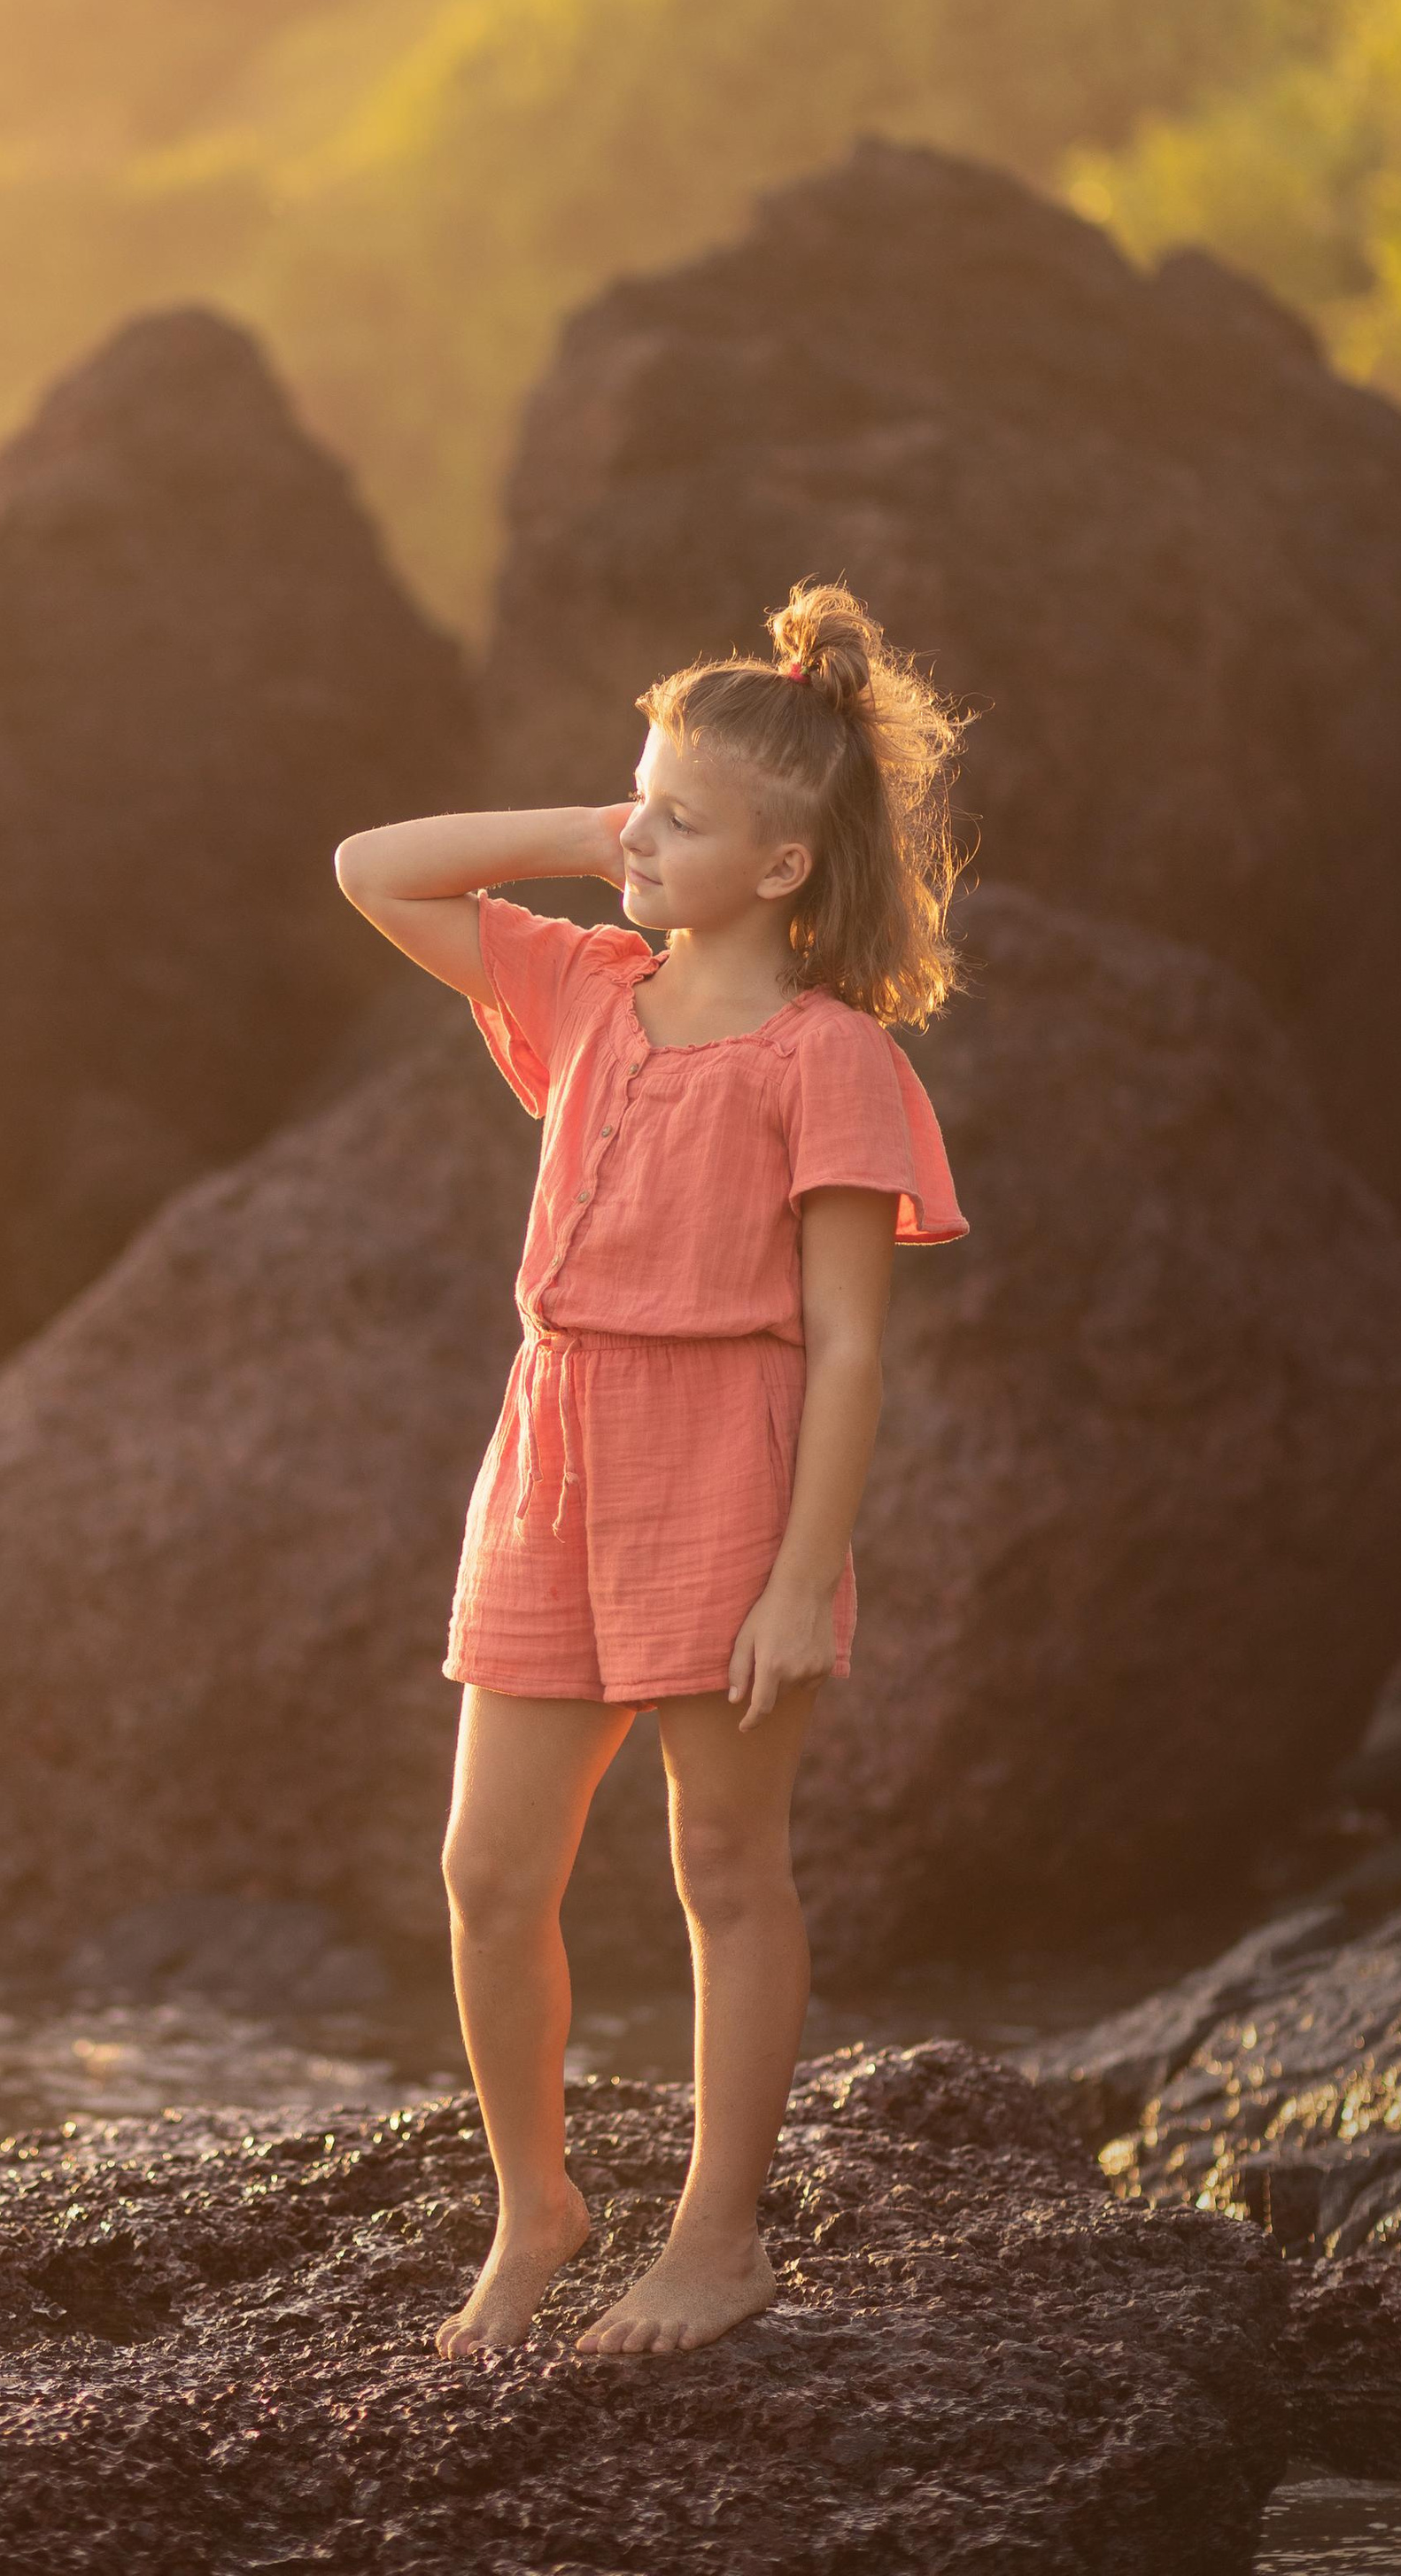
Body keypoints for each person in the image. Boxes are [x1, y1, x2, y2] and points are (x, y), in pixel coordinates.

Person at [333, 578, 971, 2362]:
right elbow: (374, 867)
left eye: (682, 822)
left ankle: (712, 2241)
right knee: (484, 1874)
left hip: (724, 1464)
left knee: (721, 1866)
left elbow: (845, 1340)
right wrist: (599, 824)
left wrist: (792, 1578)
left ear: (782, 869)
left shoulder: (824, 1059)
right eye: (639, 799)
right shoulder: (582, 990)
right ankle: (535, 2205)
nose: (636, 838)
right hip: (548, 1450)